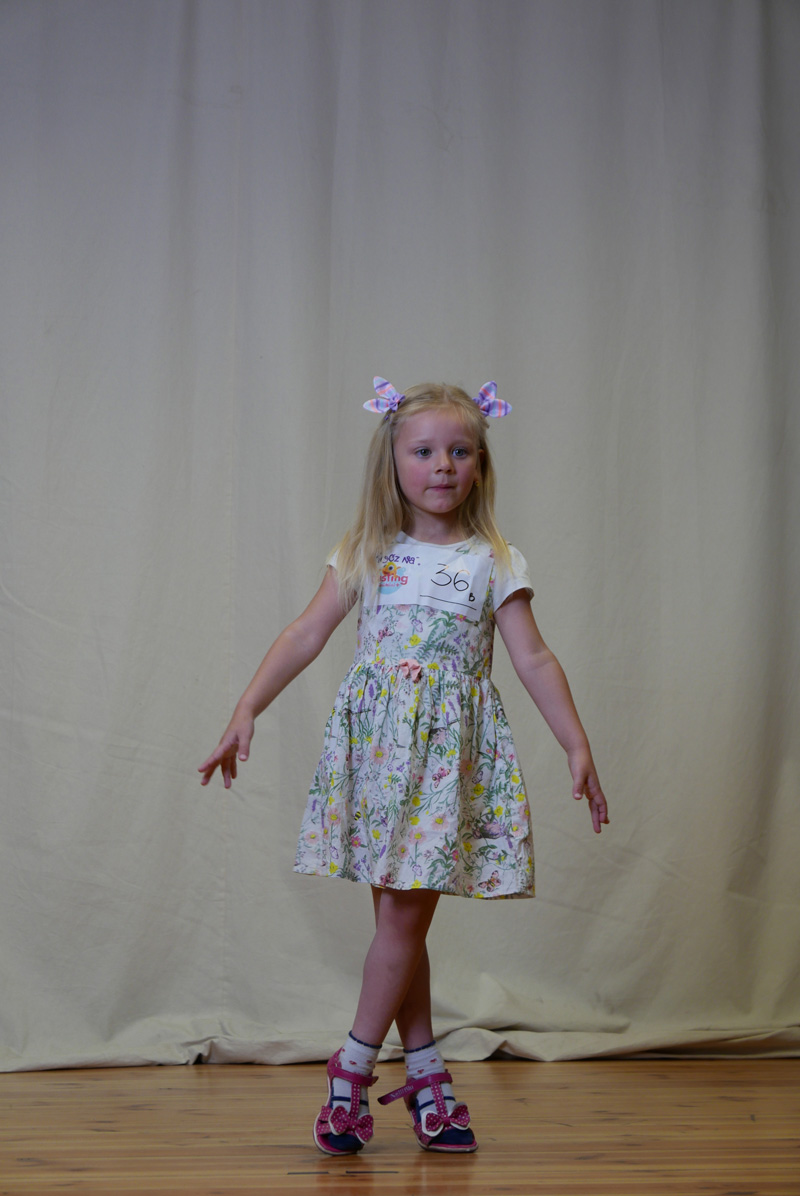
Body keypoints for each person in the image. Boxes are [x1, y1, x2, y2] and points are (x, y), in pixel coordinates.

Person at [199, 377, 609, 1156]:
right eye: (423, 451)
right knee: (401, 921)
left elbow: (534, 658)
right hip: (380, 756)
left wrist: (576, 743)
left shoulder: (494, 560)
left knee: (401, 920)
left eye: (460, 451)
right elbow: (305, 633)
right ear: (392, 462)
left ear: (481, 466)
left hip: (444, 764)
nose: (442, 465)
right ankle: (417, 1074)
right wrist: (247, 706)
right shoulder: (367, 553)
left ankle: (358, 1068)